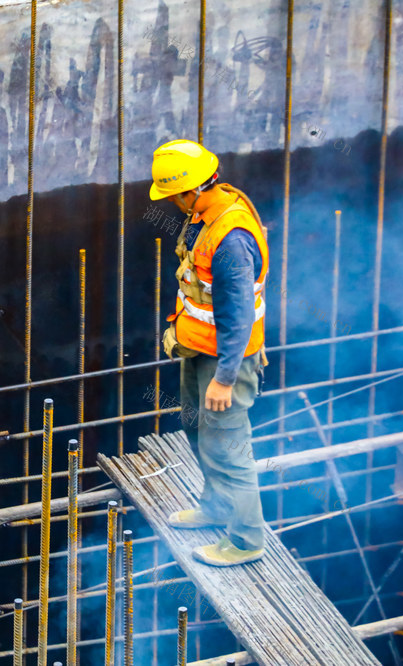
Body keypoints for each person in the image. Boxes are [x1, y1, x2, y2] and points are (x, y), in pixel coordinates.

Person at [151, 140, 270, 567]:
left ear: (192, 190)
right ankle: (217, 507)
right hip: (201, 350)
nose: (171, 204)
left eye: (173, 195)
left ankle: (245, 540)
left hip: (226, 362)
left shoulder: (231, 239)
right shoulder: (204, 214)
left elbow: (238, 317)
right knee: (196, 426)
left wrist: (223, 378)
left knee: (228, 447)